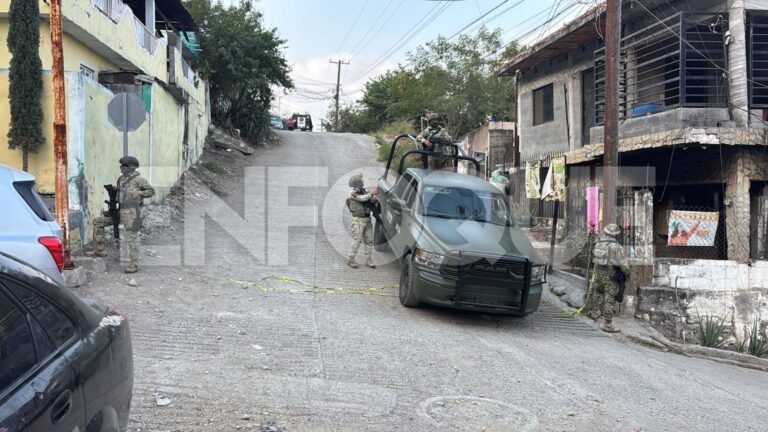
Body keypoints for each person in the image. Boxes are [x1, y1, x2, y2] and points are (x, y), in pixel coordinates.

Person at [86, 156, 155, 274]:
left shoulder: (139, 180)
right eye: (121, 166)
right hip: (119, 211)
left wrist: (138, 193)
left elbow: (151, 192)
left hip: (131, 213)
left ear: (130, 167)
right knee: (98, 222)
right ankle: (100, 249)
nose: (121, 168)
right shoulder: (121, 179)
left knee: (131, 236)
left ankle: (134, 263)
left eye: (123, 166)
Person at [589, 223, 631, 333]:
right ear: (616, 234)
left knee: (597, 292)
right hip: (610, 276)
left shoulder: (597, 243)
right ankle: (607, 324)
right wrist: (627, 275)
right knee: (609, 298)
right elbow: (624, 264)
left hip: (598, 273)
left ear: (605, 231)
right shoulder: (617, 247)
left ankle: (594, 313)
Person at [346, 174, 377, 269]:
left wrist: (373, 200)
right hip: (358, 220)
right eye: (360, 181)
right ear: (357, 183)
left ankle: (368, 259)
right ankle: (351, 259)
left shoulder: (364, 191)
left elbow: (369, 199)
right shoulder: (352, 193)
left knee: (369, 240)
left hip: (367, 219)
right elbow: (361, 198)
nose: (362, 182)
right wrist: (371, 194)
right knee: (357, 240)